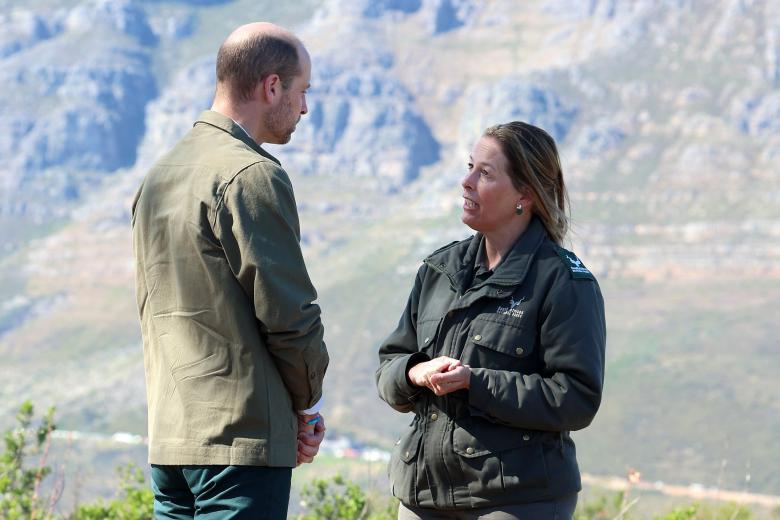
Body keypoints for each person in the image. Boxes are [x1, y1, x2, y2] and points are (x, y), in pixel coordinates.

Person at [131, 22, 329, 519]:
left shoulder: (160, 175)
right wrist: (303, 405)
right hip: (240, 445)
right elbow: (288, 313)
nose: (304, 107)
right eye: (303, 91)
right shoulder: (250, 174)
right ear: (271, 86)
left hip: (172, 440)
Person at [376, 121, 606, 519]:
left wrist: (474, 383)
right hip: (423, 495)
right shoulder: (439, 270)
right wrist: (413, 372)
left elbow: (576, 398)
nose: (466, 182)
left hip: (515, 499)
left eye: (485, 173)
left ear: (525, 195)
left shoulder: (563, 282)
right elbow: (389, 364)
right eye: (469, 167)